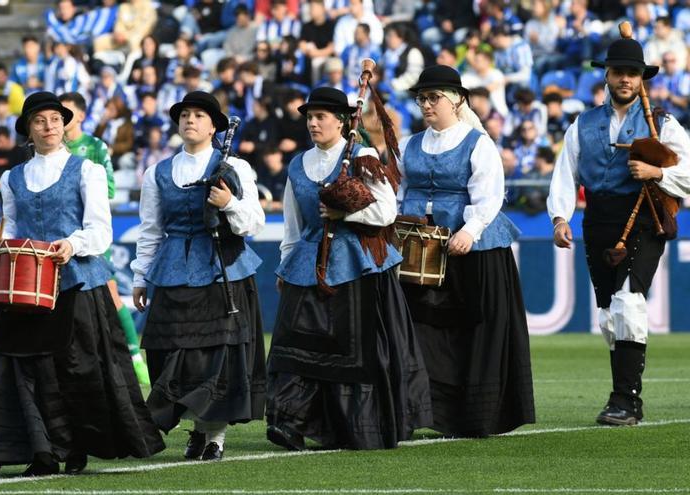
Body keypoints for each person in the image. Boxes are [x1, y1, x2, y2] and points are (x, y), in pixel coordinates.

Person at [0, 92, 165, 475]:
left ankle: (77, 446)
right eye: (39, 121)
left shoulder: (86, 170)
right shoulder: (11, 178)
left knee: (77, 369)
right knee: (27, 369)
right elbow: (11, 225)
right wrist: (1, 246)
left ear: (65, 125)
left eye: (54, 119)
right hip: (26, 286)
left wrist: (73, 244)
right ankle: (43, 451)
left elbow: (100, 229)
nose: (48, 127)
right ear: (28, 130)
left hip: (77, 282)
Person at [266, 86, 431, 451]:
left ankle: (357, 426)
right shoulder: (297, 165)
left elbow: (386, 211)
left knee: (352, 349)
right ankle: (290, 420)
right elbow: (294, 223)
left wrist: (346, 212)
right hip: (306, 264)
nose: (313, 123)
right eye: (309, 117)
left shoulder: (363, 155)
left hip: (357, 263)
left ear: (342, 122)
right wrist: (285, 264)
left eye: (320, 117)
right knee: (295, 345)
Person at [548, 39, 690, 426]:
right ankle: (625, 401)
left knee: (629, 301)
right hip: (597, 220)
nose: (625, 79)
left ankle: (625, 400)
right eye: (619, 72)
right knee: (609, 314)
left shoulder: (662, 123)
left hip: (643, 218)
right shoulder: (583, 123)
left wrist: (657, 172)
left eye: (632, 73)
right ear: (607, 76)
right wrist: (560, 219)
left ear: (642, 78)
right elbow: (565, 174)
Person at [398, 65, 535, 437]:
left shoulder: (478, 143)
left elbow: (490, 195)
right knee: (418, 329)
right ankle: (421, 409)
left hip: (470, 250)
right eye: (422, 98)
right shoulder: (409, 145)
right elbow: (400, 192)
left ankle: (473, 416)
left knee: (471, 329)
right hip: (420, 251)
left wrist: (470, 230)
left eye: (433, 97)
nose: (426, 104)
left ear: (457, 100)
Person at [131, 91, 266, 461]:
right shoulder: (156, 172)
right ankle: (196, 429)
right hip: (174, 269)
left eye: (199, 116)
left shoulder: (235, 167)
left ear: (213, 127)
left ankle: (214, 436)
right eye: (185, 115)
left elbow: (253, 221)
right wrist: (140, 277)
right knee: (173, 354)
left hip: (223, 269)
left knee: (217, 355)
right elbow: (150, 230)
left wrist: (229, 204)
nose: (190, 120)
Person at [58, 91, 151, 384]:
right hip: (58, 232)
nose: (60, 118)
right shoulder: (51, 147)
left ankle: (135, 357)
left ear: (81, 116)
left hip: (88, 230)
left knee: (109, 293)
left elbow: (109, 188)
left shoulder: (94, 146)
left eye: (66, 112)